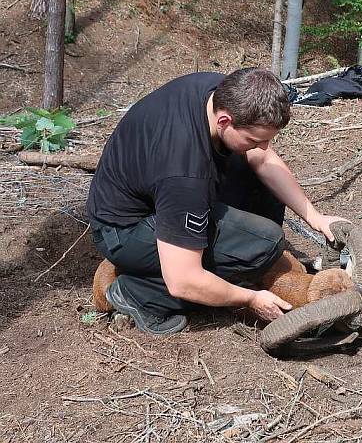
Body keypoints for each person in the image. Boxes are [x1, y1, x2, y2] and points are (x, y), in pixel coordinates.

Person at [87, 68, 346, 335]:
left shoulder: (218, 91)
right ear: (224, 121)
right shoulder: (185, 172)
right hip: (124, 230)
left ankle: (237, 262)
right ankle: (137, 293)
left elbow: (263, 160)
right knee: (265, 244)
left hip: (156, 194)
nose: (264, 146)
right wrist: (249, 298)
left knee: (258, 178)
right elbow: (183, 281)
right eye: (255, 139)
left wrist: (314, 216)